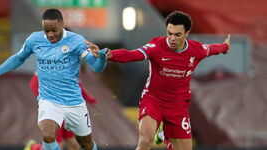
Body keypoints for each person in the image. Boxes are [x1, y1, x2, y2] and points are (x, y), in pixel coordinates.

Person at [86, 10, 231, 150]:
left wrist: (225, 46)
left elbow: (214, 48)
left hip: (178, 106)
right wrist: (110, 54)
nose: (172, 38)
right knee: (145, 142)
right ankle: (162, 132)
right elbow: (132, 54)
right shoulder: (156, 47)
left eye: (177, 35)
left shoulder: (197, 50)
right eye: (170, 33)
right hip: (153, 100)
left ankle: (164, 134)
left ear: (187, 34)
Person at [0, 8, 108, 150]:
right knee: (48, 135)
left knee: (85, 144)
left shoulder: (76, 41)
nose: (50, 34)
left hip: (74, 102)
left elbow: (96, 67)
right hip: (48, 100)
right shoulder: (34, 39)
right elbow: (18, 58)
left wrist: (101, 58)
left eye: (54, 30)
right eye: (46, 30)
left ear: (62, 24)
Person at [25, 72, 98, 150]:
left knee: (74, 144)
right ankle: (33, 148)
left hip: (68, 110)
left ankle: (34, 147)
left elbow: (77, 86)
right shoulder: (51, 65)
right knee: (58, 144)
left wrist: (91, 100)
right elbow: (34, 83)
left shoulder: (72, 66)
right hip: (55, 110)